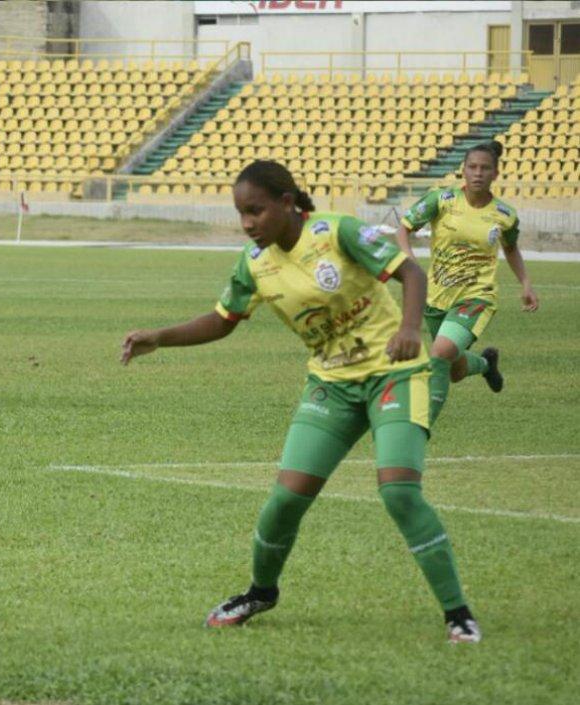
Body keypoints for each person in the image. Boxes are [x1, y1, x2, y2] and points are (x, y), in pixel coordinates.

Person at [121, 160, 481, 644]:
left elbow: (412, 273)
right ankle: (260, 591)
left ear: (288, 203)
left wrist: (409, 328)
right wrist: (159, 337)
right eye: (241, 213)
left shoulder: (339, 232)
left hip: (395, 374)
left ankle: (457, 613)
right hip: (331, 384)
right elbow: (224, 318)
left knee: (398, 491)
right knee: (285, 500)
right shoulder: (254, 263)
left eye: (256, 211)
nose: (248, 223)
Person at [396, 141, 538, 393]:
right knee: (454, 369)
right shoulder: (441, 199)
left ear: (495, 173)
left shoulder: (505, 215)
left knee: (439, 352)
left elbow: (511, 248)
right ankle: (486, 365)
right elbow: (403, 229)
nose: (478, 173)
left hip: (476, 296)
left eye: (485, 168)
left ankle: (421, 424)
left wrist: (525, 283)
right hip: (436, 296)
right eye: (472, 167)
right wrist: (411, 266)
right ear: (463, 170)